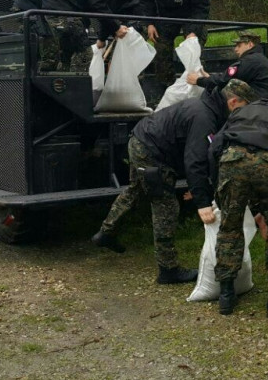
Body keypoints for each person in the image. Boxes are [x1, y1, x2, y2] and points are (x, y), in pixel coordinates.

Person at [91, 85, 231, 284]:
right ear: (231, 103)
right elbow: (195, 161)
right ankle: (168, 269)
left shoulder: (203, 106)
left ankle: (106, 232)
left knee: (135, 190)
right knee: (165, 204)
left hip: (139, 139)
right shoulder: (204, 118)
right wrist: (202, 201)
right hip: (152, 152)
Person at [211, 79, 268, 318]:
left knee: (229, 227)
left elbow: (214, 148)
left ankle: (226, 295)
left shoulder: (239, 113)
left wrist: (218, 187)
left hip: (232, 160)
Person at [189, 30, 268, 103]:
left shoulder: (249, 61)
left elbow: (224, 80)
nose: (235, 49)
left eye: (239, 45)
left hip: (263, 107)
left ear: (250, 44)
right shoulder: (259, 59)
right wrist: (210, 78)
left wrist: (198, 80)